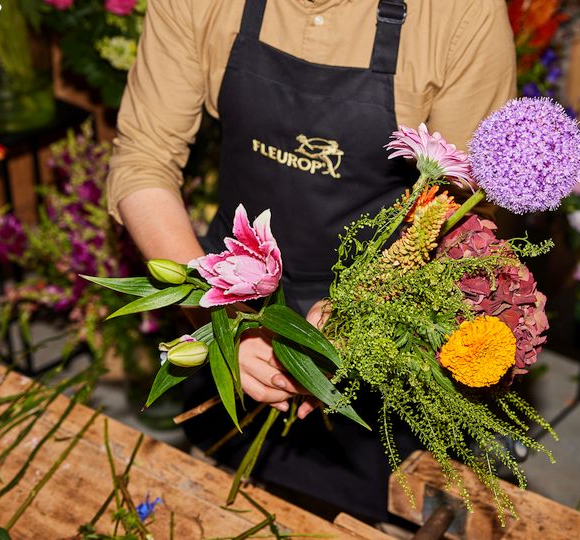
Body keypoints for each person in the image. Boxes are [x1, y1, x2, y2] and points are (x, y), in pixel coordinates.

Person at [107, 0, 516, 524]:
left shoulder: (461, 14)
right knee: (228, 502)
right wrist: (222, 316)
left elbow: (461, 210)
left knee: (364, 503)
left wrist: (358, 313)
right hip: (230, 288)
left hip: (388, 315)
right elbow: (143, 158)